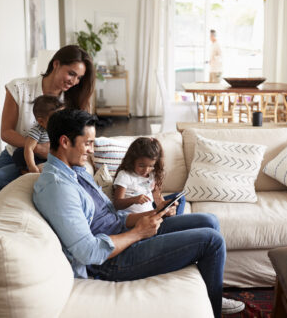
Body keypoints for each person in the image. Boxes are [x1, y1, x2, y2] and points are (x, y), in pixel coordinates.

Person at [32, 109, 245, 317]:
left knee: (209, 220)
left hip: (124, 233)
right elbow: (88, 252)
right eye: (87, 143)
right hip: (110, 260)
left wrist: (147, 216)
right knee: (211, 241)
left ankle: (211, 293)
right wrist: (138, 233)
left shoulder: (76, 171)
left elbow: (111, 215)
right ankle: (215, 307)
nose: (91, 150)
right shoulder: (57, 188)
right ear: (65, 142)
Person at [0, 45, 95, 210]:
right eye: (71, 73)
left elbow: (82, 137)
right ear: (56, 64)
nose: (74, 81)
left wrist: (49, 152)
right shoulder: (19, 88)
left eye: (79, 77)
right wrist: (36, 148)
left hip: (55, 157)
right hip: (17, 152)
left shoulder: (74, 99)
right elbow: (6, 132)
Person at [113, 137, 186, 215]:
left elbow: (158, 199)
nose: (146, 170)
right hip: (137, 218)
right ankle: (174, 223)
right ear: (132, 160)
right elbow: (117, 204)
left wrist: (165, 209)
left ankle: (172, 221)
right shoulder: (125, 175)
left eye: (151, 166)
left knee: (179, 198)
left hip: (152, 213)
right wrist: (134, 200)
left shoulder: (152, 174)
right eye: (141, 165)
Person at [12, 95, 64, 174]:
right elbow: (29, 148)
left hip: (51, 157)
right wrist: (31, 166)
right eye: (55, 120)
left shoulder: (60, 129)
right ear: (41, 121)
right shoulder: (37, 131)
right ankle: (25, 171)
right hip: (37, 158)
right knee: (19, 152)